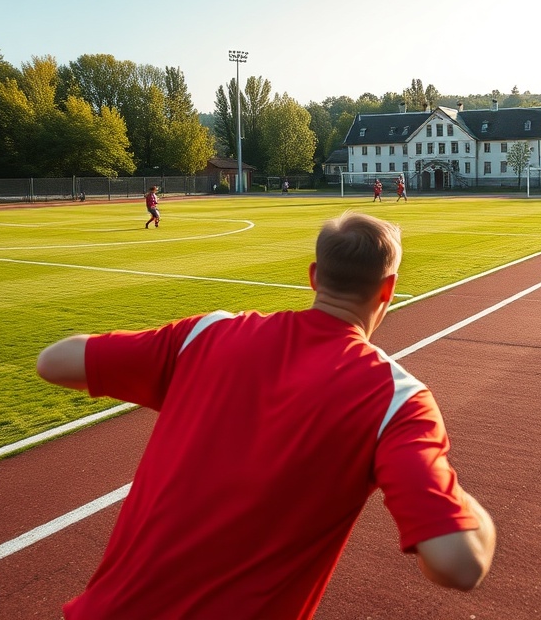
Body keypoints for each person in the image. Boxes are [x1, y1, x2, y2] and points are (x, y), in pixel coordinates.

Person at [36, 212, 495, 619]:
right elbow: (457, 563)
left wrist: (186, 386)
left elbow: (54, 362)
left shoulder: (206, 335)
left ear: (315, 276)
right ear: (388, 288)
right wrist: (465, 504)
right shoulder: (397, 401)